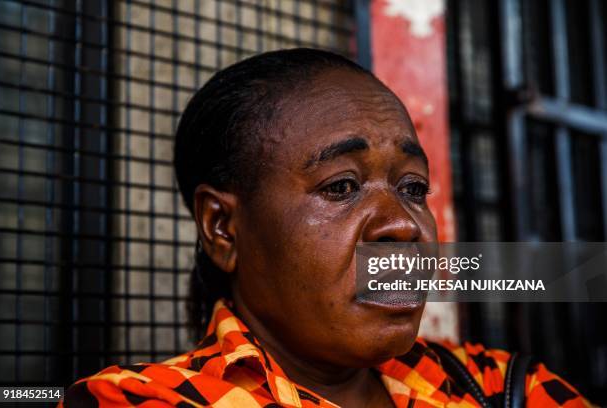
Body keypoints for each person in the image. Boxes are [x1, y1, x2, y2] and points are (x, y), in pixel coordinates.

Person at [60, 48, 591, 408]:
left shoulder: (499, 387)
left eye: (412, 188)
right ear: (222, 228)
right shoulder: (143, 400)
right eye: (341, 187)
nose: (403, 228)